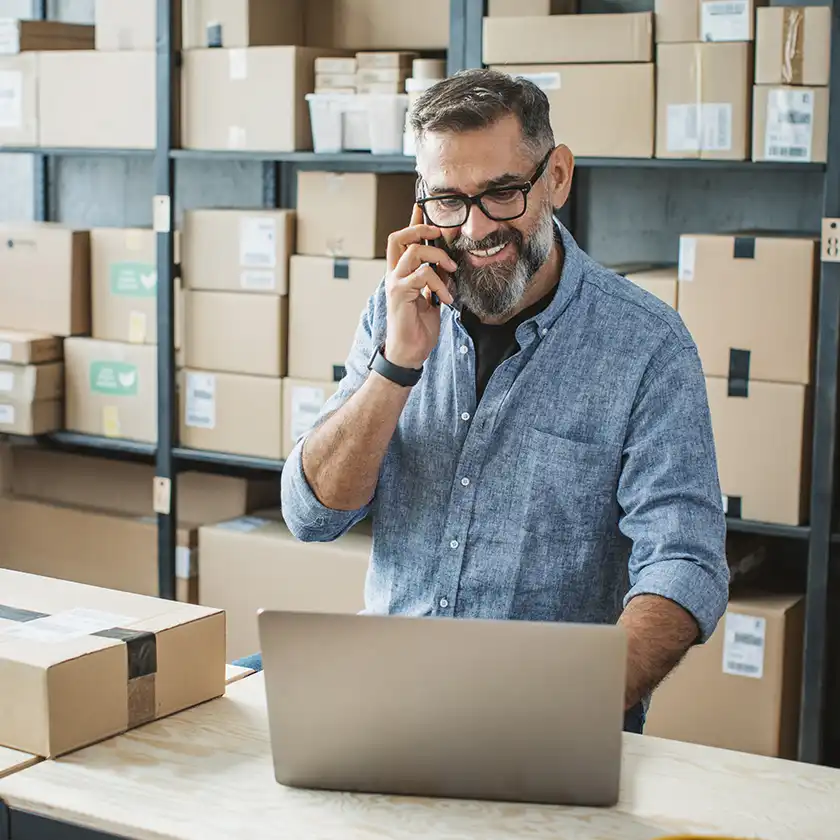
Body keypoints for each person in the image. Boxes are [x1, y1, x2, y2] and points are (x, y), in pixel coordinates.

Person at [243, 68, 729, 733]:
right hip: (391, 703)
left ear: (555, 176)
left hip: (547, 719)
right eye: (446, 200)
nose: (474, 228)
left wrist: (574, 705)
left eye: (501, 193)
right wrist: (397, 365)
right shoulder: (394, 314)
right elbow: (311, 514)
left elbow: (684, 561)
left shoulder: (646, 345)